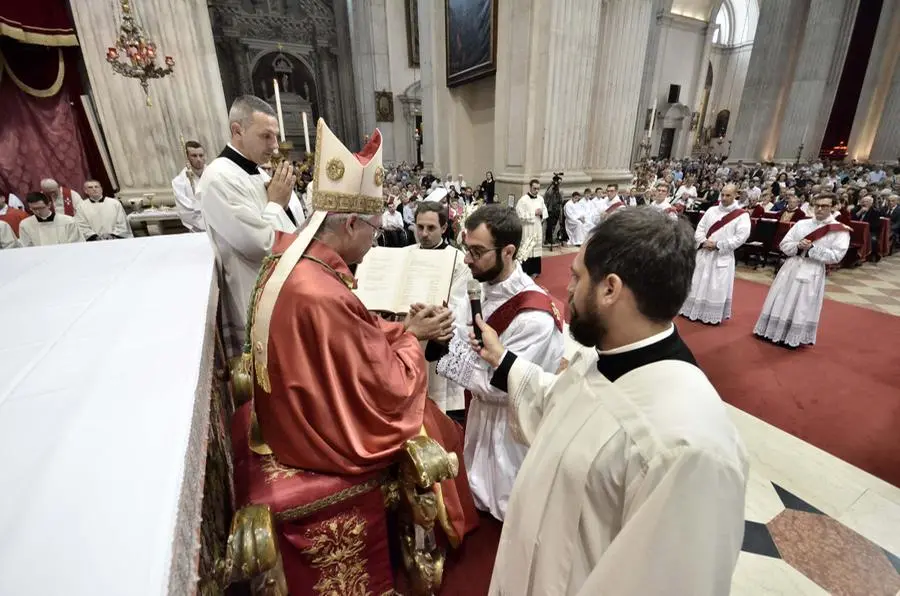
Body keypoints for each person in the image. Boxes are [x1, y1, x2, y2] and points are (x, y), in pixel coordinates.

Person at [471, 207, 747, 595]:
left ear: (610, 289)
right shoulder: (601, 358)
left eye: (576, 276)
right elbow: (555, 408)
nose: (566, 290)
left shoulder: (687, 447)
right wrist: (503, 359)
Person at [245, 118, 478, 545]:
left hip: (288, 413)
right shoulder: (320, 291)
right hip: (315, 437)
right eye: (372, 231)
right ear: (351, 224)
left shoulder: (294, 260)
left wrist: (403, 328)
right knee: (427, 418)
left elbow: (357, 335)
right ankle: (437, 537)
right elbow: (384, 385)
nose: (374, 242)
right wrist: (416, 338)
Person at [433, 204, 565, 521]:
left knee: (508, 504)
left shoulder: (533, 317)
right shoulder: (481, 284)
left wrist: (443, 346)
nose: (467, 259)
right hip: (481, 416)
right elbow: (468, 336)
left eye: (477, 251)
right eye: (467, 249)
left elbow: (504, 387)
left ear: (508, 252)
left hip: (511, 428)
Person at [197, 95, 296, 357]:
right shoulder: (219, 177)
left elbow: (288, 224)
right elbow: (258, 245)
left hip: (281, 292)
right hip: (253, 294)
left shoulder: (259, 172)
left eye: (275, 137)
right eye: (266, 136)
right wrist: (275, 204)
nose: (275, 146)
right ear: (237, 130)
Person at [754, 193, 850, 347]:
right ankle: (770, 330)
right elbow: (784, 244)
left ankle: (790, 336)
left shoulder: (839, 230)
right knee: (781, 297)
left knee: (801, 303)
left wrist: (812, 248)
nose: (819, 209)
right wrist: (798, 246)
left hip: (812, 269)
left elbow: (837, 256)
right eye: (817, 205)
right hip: (792, 266)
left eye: (824, 206)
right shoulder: (801, 224)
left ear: (832, 207)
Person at [412, 201, 472, 421]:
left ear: (444, 228)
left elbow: (458, 305)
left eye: (431, 228)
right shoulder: (406, 254)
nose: (424, 234)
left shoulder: (458, 260)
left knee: (439, 411)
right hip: (410, 337)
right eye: (420, 227)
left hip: (438, 341)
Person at [679, 183, 751, 325]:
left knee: (716, 285)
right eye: (722, 194)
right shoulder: (711, 210)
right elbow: (700, 228)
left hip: (722, 255)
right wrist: (704, 241)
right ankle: (690, 309)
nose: (724, 198)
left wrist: (718, 245)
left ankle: (709, 315)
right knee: (697, 280)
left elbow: (741, 237)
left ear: (736, 195)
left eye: (728, 195)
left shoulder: (741, 215)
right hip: (705, 252)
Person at [19, 192, 84, 247]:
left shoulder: (68, 221)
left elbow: (77, 244)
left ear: (49, 205)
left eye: (41, 208)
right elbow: (26, 247)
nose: (38, 212)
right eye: (34, 209)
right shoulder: (25, 224)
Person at [171, 140, 207, 232]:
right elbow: (186, 211)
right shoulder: (179, 182)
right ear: (187, 158)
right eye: (194, 156)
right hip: (197, 230)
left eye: (201, 155)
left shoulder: (215, 174)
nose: (198, 159)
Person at [517, 179, 546, 277]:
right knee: (527, 248)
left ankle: (535, 270)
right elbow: (520, 215)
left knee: (536, 248)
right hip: (528, 228)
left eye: (538, 189)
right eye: (535, 188)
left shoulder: (541, 199)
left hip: (537, 226)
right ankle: (525, 271)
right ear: (530, 187)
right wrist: (534, 213)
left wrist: (542, 213)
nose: (536, 191)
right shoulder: (523, 200)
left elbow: (545, 212)